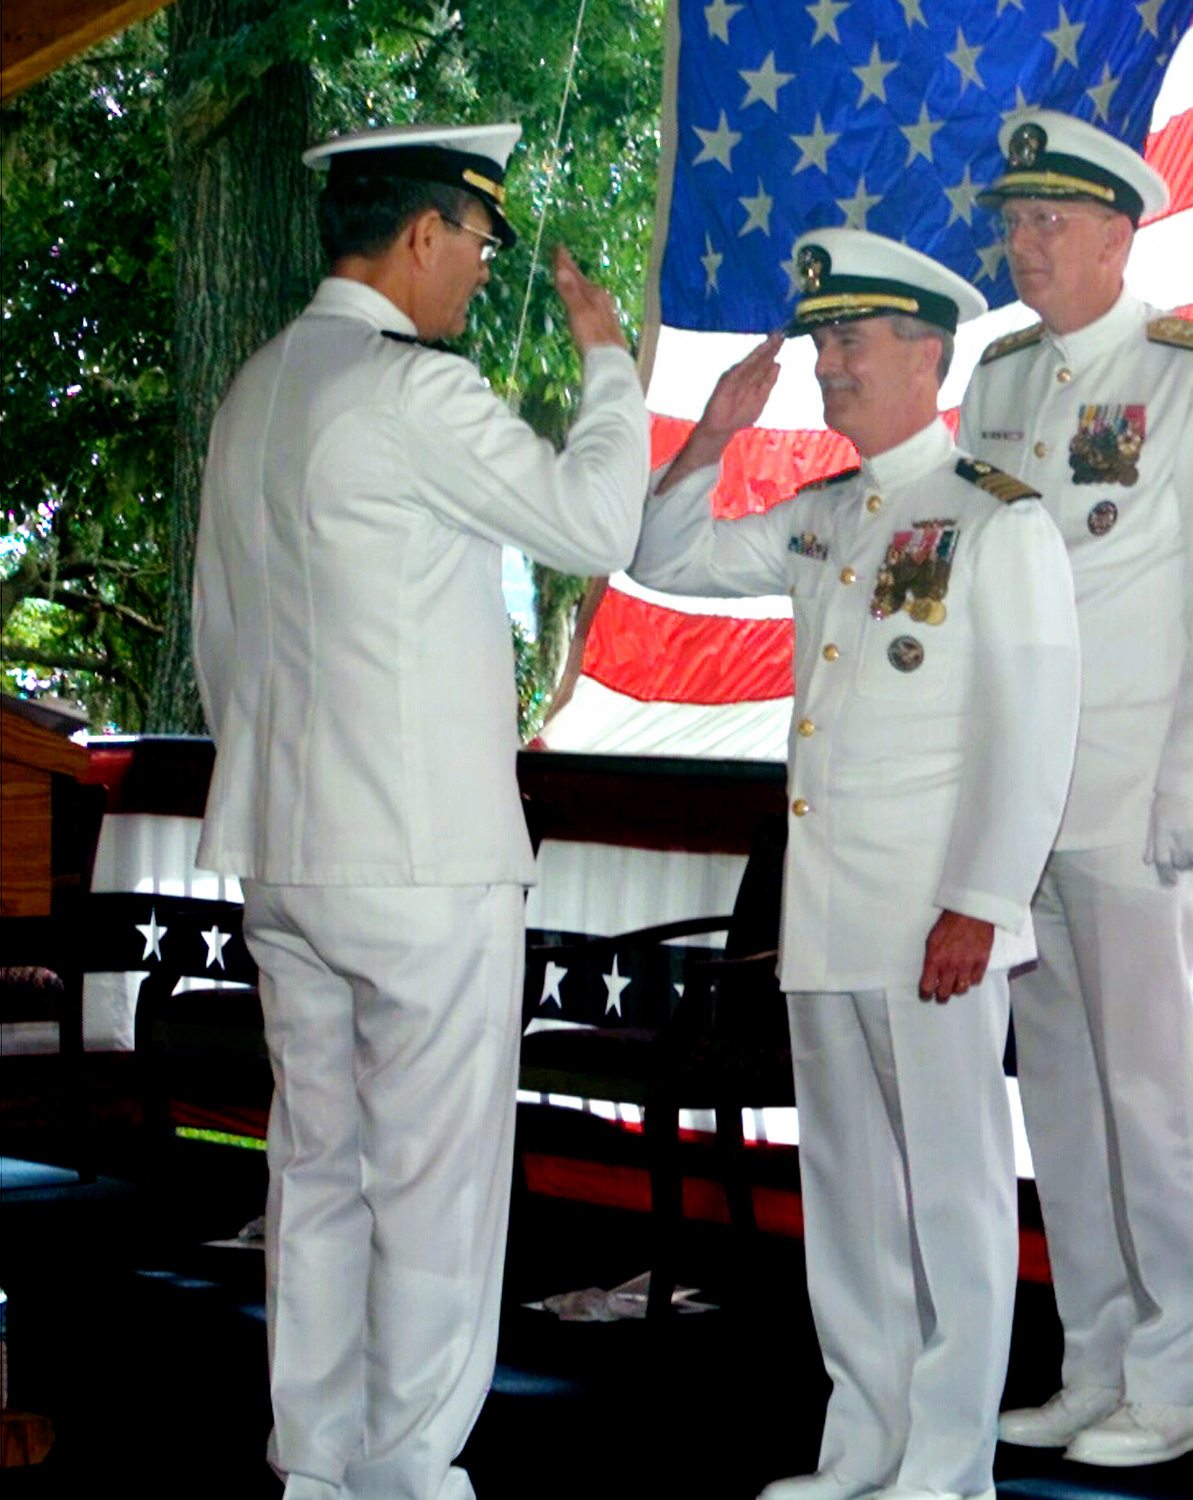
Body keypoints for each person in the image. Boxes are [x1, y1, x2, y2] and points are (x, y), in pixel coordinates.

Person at [190, 122, 650, 1499]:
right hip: (420, 860)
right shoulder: (414, 393)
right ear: (426, 234)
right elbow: (595, 523)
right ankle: (407, 1471)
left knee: (320, 1177)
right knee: (436, 1191)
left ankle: (320, 1465)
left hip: (283, 852)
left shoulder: (257, 391)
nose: (478, 271)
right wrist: (610, 362)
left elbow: (222, 642)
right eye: (478, 243)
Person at [633, 227, 1082, 1500]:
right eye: (824, 339)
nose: (829, 364)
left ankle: (947, 1466)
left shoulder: (997, 522)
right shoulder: (826, 518)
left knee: (952, 1198)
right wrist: (714, 433)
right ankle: (865, 1446)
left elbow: (1032, 729)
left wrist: (982, 903)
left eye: (852, 341)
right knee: (849, 1203)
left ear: (928, 355)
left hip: (936, 917)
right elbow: (663, 559)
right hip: (830, 918)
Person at [961, 109, 1193, 1465]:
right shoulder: (993, 382)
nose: (1023, 245)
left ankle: (1181, 1378)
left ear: (1118, 232)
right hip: (1019, 813)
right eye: (1013, 223)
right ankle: (1096, 1353)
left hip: (1134, 795)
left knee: (1153, 1093)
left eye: (1049, 223)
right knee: (1060, 1091)